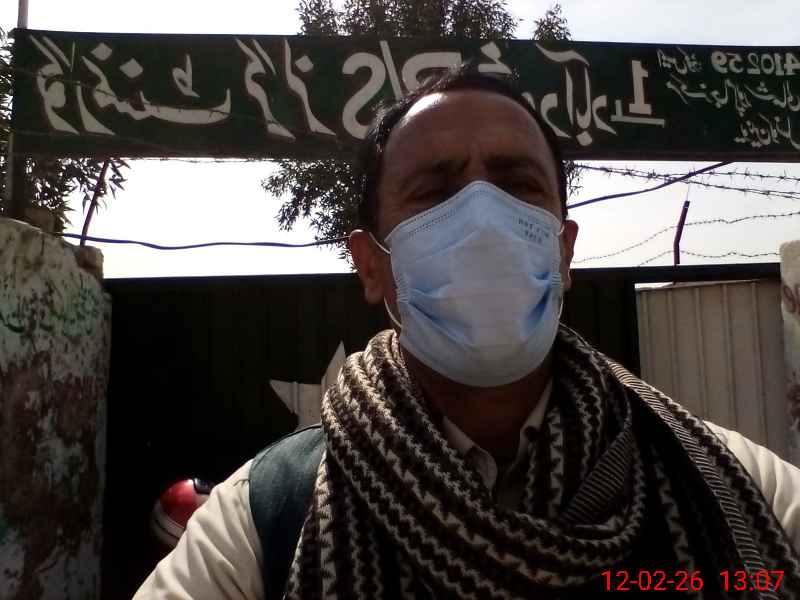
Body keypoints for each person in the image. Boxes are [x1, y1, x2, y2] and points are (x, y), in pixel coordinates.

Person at [134, 63, 800, 599]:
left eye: (517, 184)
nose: (483, 219)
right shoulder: (266, 516)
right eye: (434, 191)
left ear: (563, 251)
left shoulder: (735, 486)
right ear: (371, 266)